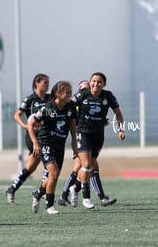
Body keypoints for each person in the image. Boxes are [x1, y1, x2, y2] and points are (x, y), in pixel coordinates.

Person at [71, 72, 125, 209]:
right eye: (93, 81)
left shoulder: (108, 96)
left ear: (104, 84)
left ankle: (74, 188)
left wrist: (121, 129)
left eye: (99, 82)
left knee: (90, 164)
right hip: (83, 132)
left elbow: (118, 114)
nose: (96, 84)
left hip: (98, 134)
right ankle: (86, 198)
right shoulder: (83, 94)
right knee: (87, 165)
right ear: (90, 82)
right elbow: (69, 107)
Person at [58, 80, 115, 207]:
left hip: (90, 138)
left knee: (84, 167)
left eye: (87, 88)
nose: (86, 90)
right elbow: (72, 121)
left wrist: (101, 121)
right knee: (87, 166)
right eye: (83, 89)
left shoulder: (88, 103)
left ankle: (67, 193)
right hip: (81, 138)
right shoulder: (77, 105)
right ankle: (98, 197)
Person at [29, 81, 77, 214]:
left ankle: (38, 194)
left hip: (60, 145)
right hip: (46, 142)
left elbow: (73, 126)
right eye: (67, 92)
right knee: (54, 172)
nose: (69, 94)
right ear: (58, 94)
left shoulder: (71, 106)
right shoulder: (48, 108)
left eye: (70, 91)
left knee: (53, 176)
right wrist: (35, 143)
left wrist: (74, 144)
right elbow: (30, 124)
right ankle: (49, 206)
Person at [4, 73, 50, 204]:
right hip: (33, 136)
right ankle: (43, 191)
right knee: (49, 163)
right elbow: (17, 115)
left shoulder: (49, 98)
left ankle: (12, 189)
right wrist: (25, 125)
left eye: (48, 83)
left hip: (46, 135)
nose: (47, 85)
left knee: (31, 167)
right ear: (37, 83)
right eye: (45, 82)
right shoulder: (30, 99)